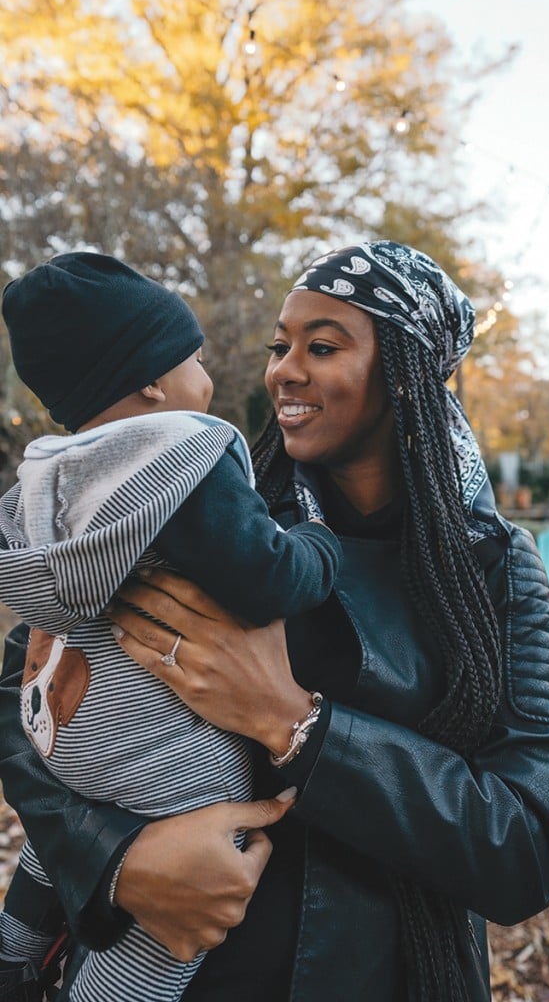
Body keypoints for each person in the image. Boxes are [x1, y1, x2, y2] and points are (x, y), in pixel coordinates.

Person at [0, 240, 549, 1002]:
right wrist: (117, 859)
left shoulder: (492, 569)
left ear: (403, 373)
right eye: (280, 345)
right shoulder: (212, 519)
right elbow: (25, 686)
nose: (284, 369)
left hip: (390, 972)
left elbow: (521, 853)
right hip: (189, 964)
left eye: (323, 345)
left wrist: (293, 722)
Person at [0, 252, 342, 1001]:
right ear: (152, 382)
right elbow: (267, 580)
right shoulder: (182, 454)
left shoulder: (48, 479)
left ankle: (14, 950)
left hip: (69, 743)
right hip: (164, 768)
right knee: (159, 947)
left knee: (46, 858)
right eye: (190, 357)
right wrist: (318, 545)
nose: (207, 375)